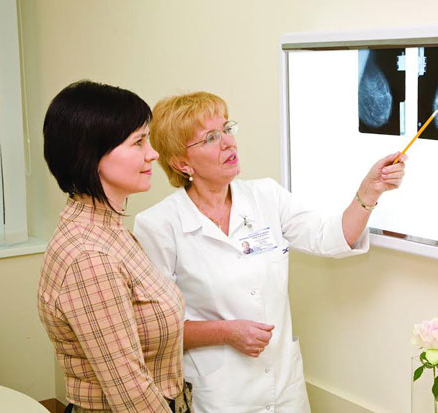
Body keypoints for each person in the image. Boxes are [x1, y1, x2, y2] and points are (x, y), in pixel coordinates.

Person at [133, 91, 406, 412]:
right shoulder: (158, 225)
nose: (229, 143)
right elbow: (154, 328)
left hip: (283, 384)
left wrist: (369, 191)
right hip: (219, 394)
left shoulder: (266, 195)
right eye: (211, 138)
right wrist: (227, 333)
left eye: (227, 129)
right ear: (182, 162)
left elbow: (329, 237)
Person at [38, 80, 192, 413]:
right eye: (138, 142)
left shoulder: (109, 229)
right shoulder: (89, 257)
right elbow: (130, 393)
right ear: (91, 154)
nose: (153, 154)